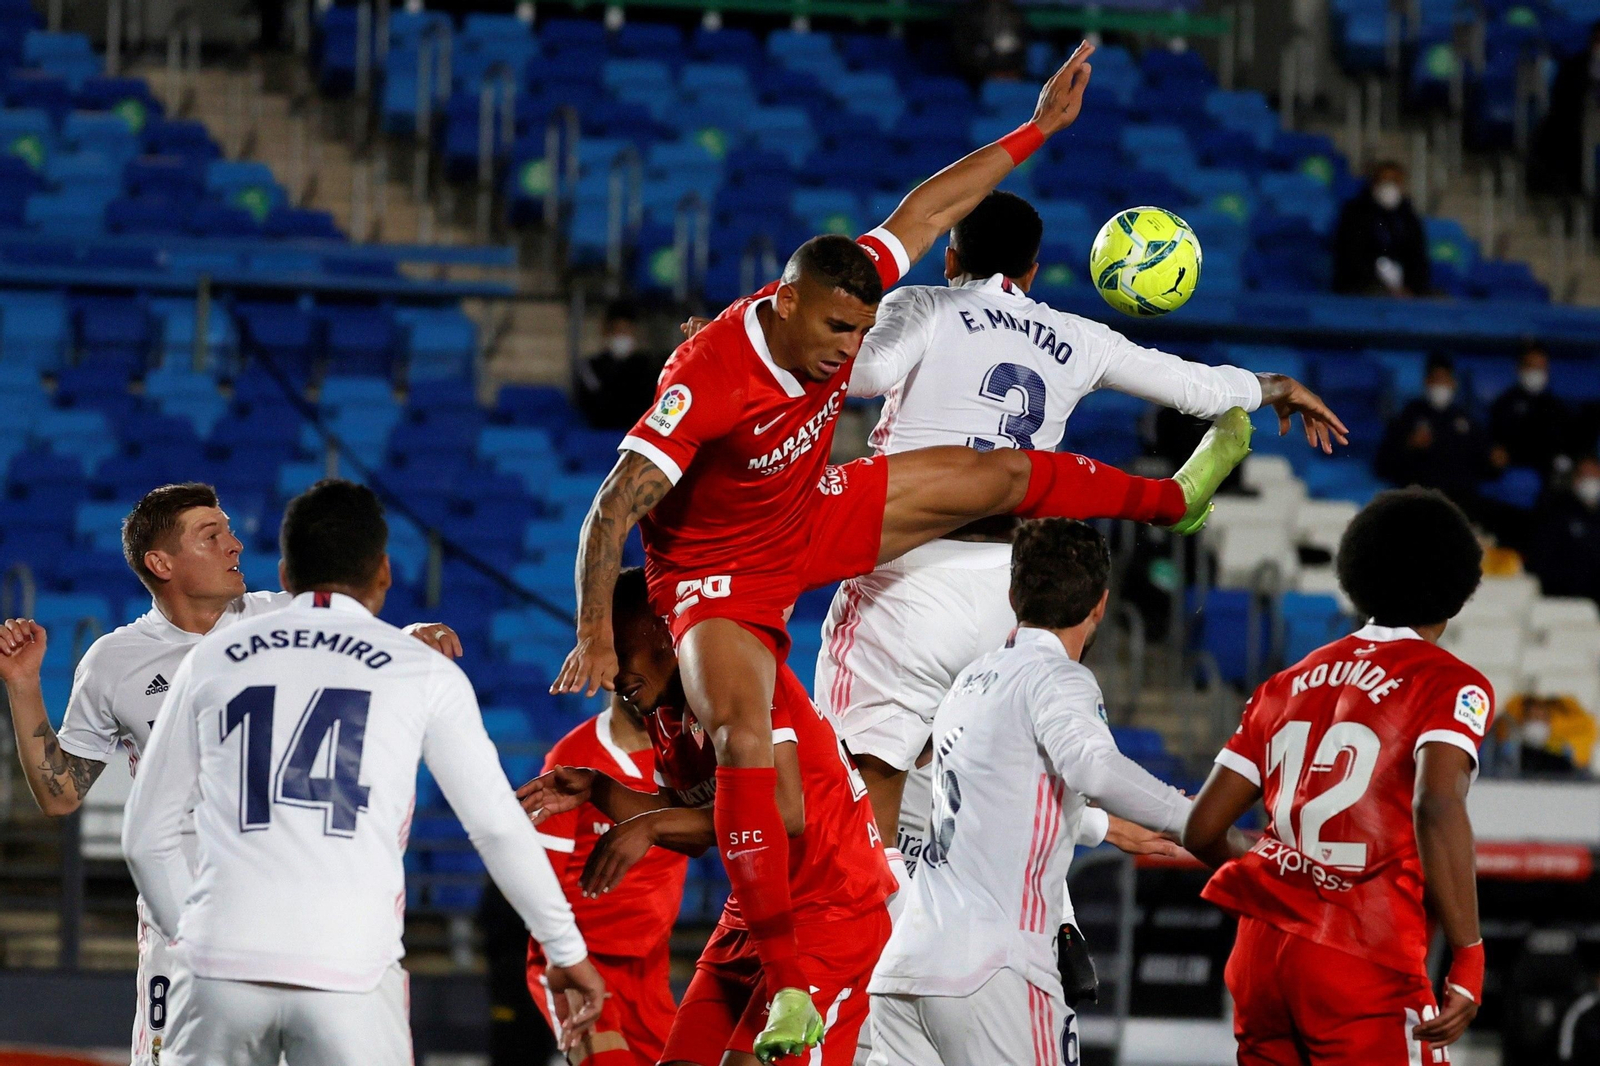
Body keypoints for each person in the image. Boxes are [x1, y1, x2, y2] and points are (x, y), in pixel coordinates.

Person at [553, 46, 1258, 1054]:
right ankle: (793, 980)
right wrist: (594, 634)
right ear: (785, 304)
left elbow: (927, 211)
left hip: (809, 512)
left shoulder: (857, 296)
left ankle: (1168, 501)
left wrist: (1036, 130)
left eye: (860, 328)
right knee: (750, 737)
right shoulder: (711, 375)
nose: (849, 350)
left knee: (997, 475)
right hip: (718, 575)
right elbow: (614, 503)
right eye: (835, 330)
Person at [816, 189, 1345, 867]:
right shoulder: (1077, 337)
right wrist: (1273, 386)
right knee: (983, 788)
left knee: (861, 801)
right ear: (1032, 270)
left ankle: (870, 935)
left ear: (950, 258)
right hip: (1010, 598)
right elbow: (1198, 388)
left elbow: (863, 372)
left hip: (907, 583)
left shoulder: (924, 304)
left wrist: (751, 337)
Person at [119, 480, 605, 1065]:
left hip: (220, 971)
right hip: (348, 974)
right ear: (384, 572)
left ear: (286, 575)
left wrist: (190, 940)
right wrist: (564, 948)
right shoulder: (420, 669)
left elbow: (144, 838)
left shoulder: (211, 659)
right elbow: (498, 828)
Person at [0, 482, 459, 1066]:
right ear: (161, 563)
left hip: (292, 926)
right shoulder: (115, 662)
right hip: (181, 927)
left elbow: (361, 642)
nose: (235, 545)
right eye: (211, 535)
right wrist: (23, 685)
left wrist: (409, 639)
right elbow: (61, 795)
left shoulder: (284, 617)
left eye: (229, 531)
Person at [521, 566, 894, 1065]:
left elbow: (784, 813)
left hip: (830, 914)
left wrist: (649, 826)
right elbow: (692, 822)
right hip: (750, 917)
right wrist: (599, 790)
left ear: (661, 633)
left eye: (619, 654)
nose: (612, 676)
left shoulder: (740, 669)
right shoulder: (664, 712)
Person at [864, 519, 1195, 1066]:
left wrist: (1102, 826)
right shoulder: (1057, 677)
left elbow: (991, 794)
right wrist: (1194, 818)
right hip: (994, 971)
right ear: (1101, 605)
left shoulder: (970, 681)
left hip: (906, 969)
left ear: (1014, 595)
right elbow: (1095, 768)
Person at [1183, 487, 1492, 1064]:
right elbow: (1436, 805)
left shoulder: (1284, 684)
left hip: (1260, 957)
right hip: (1363, 957)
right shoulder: (1450, 682)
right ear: (1457, 586)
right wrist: (1469, 953)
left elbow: (1200, 830)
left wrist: (1288, 878)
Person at [524, 696, 689, 1066]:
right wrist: (564, 954)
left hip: (649, 967)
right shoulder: (573, 758)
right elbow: (539, 880)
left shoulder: (687, 754)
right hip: (581, 961)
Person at [1375, 354, 1493, 513]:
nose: (1440, 386)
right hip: (1418, 501)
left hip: (1461, 504)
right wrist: (1409, 445)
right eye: (1435, 380)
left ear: (1454, 383)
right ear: (1426, 382)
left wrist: (1494, 461)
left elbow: (1486, 466)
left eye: (1445, 380)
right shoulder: (1409, 416)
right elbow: (1382, 465)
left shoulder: (1467, 421)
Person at [1331, 160, 1431, 297]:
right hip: (1362, 286)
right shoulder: (1354, 213)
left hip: (1404, 289)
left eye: (1395, 181)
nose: (1389, 186)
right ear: (1374, 183)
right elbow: (1351, 257)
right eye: (1384, 180)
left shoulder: (1409, 217)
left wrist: (1411, 287)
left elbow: (1417, 258)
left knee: (1440, 299)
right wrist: (1384, 285)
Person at [576, 301, 668, 430]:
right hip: (602, 432)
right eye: (618, 331)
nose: (622, 336)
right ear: (607, 332)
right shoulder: (591, 367)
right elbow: (593, 405)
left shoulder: (648, 366)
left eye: (627, 331)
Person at [1489, 343, 1574, 475]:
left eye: (1540, 367)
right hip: (1511, 472)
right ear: (1519, 368)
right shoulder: (1503, 404)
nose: (1536, 372)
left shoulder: (1557, 407)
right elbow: (1496, 443)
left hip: (1549, 474)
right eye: (1531, 366)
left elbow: (1565, 443)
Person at [1527, 455, 1600, 605]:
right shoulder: (1558, 511)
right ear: (1574, 479)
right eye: (1584, 476)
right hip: (1565, 597)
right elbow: (1543, 557)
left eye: (1594, 475)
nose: (1590, 481)